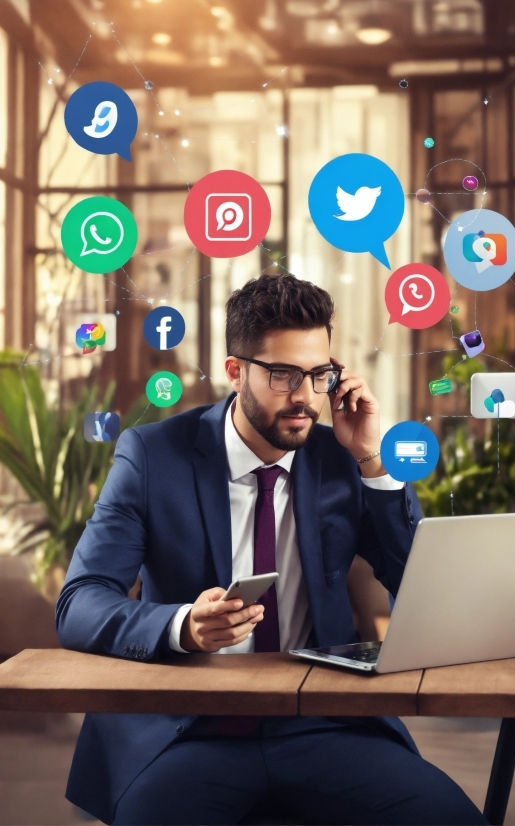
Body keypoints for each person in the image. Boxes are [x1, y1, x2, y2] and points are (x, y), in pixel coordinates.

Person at [56, 274, 488, 826]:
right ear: (236, 371)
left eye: (319, 374)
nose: (306, 396)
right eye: (284, 374)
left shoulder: (342, 458)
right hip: (191, 732)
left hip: (325, 724)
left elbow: (421, 589)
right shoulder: (152, 456)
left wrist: (374, 465)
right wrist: (181, 626)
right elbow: (79, 602)